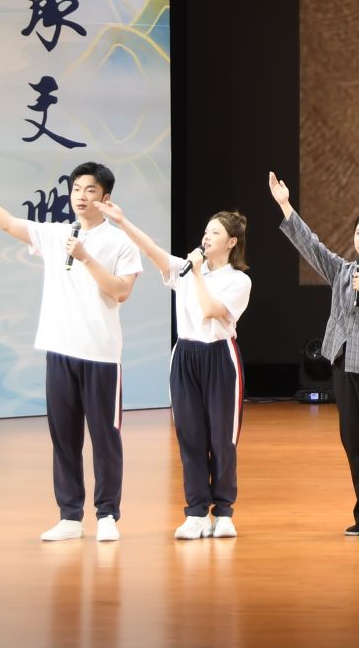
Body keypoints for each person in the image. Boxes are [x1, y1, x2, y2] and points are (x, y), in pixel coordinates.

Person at [0, 155, 141, 542]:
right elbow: (7, 222)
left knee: (105, 438)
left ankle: (107, 516)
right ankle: (69, 517)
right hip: (59, 350)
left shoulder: (119, 242)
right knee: (64, 438)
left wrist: (86, 258)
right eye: (76, 189)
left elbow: (121, 292)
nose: (80, 196)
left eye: (90, 191)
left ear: (105, 198)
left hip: (100, 355)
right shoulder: (54, 234)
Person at [270, 172, 359, 538]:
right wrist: (286, 205)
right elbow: (312, 246)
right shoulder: (343, 271)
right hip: (345, 365)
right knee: (353, 442)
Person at [102, 201, 251, 539]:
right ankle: (196, 512)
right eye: (206, 231)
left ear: (231, 242)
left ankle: (223, 512)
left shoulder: (238, 280)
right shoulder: (184, 269)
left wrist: (196, 272)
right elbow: (150, 249)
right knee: (190, 437)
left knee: (222, 439)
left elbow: (211, 310)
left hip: (220, 357)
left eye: (215, 233)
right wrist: (122, 220)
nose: (206, 237)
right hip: (185, 355)